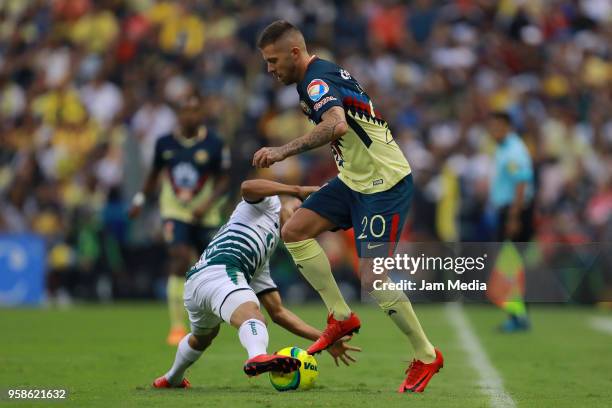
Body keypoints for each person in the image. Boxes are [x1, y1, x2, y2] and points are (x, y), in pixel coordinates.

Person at [252, 20, 442, 393]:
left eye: (273, 61)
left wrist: (282, 150)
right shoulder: (317, 75)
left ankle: (426, 354)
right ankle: (340, 315)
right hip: (353, 180)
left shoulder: (315, 81)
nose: (270, 70)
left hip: (384, 185)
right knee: (293, 231)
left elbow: (336, 125)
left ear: (295, 53)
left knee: (373, 279)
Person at [152, 179, 360, 388]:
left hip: (199, 282)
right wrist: (296, 190)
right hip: (220, 271)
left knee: (203, 337)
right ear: (287, 200)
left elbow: (278, 313)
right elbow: (247, 187)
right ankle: (258, 356)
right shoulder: (268, 203)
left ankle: (171, 378)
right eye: (297, 208)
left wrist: (325, 339)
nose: (298, 215)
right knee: (252, 313)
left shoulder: (263, 258)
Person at [129, 89, 231, 345]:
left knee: (211, 266)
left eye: (195, 110)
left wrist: (207, 204)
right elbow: (154, 174)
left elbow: (224, 180)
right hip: (174, 211)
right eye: (186, 110)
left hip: (205, 213)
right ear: (178, 114)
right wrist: (140, 200)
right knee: (178, 258)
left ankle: (214, 316)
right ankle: (176, 326)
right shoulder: (165, 143)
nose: (190, 115)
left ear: (202, 114)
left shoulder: (214, 144)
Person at [487, 111, 535, 332]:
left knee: (510, 265)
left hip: (515, 211)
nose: (493, 131)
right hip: (509, 210)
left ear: (508, 127)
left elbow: (521, 184)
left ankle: (517, 317)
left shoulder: (514, 150)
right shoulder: (505, 148)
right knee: (510, 264)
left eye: (498, 127)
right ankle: (517, 314)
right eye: (492, 127)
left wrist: (513, 217)